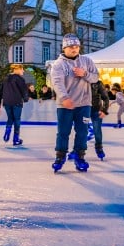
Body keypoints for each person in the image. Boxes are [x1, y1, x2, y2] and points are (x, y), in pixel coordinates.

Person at [49, 33, 99, 172]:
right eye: (71, 46)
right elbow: (57, 83)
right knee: (63, 132)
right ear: (64, 48)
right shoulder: (58, 64)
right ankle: (60, 156)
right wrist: (64, 98)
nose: (74, 49)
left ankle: (80, 156)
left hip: (84, 104)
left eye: (77, 46)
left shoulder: (87, 61)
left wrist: (85, 74)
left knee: (82, 131)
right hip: (66, 105)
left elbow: (96, 78)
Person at [0, 63, 30, 146]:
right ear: (17, 69)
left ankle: (7, 133)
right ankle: (16, 138)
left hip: (7, 102)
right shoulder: (19, 79)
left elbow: (1, 91)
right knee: (17, 119)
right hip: (16, 102)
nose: (23, 71)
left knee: (10, 118)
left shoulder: (6, 78)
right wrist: (26, 99)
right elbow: (24, 90)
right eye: (22, 69)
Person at [89, 80, 110, 159]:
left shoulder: (98, 83)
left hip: (96, 110)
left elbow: (105, 97)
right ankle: (78, 149)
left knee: (97, 129)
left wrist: (104, 110)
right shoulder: (81, 81)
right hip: (84, 110)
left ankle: (99, 148)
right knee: (81, 130)